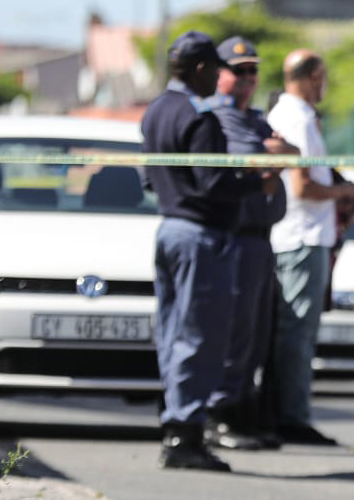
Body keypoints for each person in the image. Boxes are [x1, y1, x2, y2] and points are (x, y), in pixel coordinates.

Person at [140, 30, 258, 471]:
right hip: (200, 236)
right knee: (199, 336)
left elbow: (149, 179)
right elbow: (214, 183)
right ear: (204, 69)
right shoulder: (199, 117)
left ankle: (175, 420)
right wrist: (256, 179)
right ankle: (184, 433)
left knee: (173, 333)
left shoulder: (155, 111)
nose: (221, 80)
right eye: (220, 71)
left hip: (169, 228)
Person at [266, 49, 354, 445]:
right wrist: (347, 190)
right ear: (311, 76)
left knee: (292, 331)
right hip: (302, 236)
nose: (324, 86)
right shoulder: (299, 118)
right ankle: (291, 417)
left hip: (296, 234)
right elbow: (304, 187)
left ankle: (284, 412)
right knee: (297, 332)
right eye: (322, 78)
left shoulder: (287, 114)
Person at [202, 36, 294, 452]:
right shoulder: (219, 117)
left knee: (255, 336)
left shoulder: (254, 118)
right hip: (233, 240)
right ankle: (218, 416)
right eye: (237, 70)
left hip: (260, 240)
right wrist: (270, 154)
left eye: (252, 70)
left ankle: (241, 411)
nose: (246, 78)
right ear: (218, 73)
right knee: (233, 333)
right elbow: (255, 156)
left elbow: (289, 151)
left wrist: (272, 154)